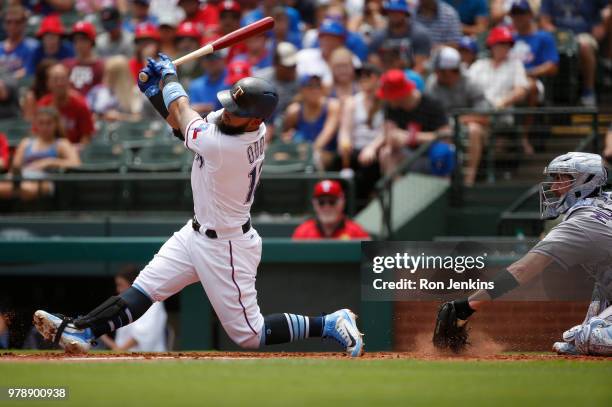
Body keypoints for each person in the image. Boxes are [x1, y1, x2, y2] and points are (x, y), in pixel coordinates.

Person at [33, 52, 364, 358]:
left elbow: (187, 117)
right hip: (195, 235)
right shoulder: (245, 125)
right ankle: (84, 329)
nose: (228, 114)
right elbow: (183, 125)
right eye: (231, 107)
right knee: (145, 289)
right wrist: (155, 94)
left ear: (252, 122)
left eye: (237, 113)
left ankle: (330, 322)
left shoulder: (227, 147)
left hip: (227, 245)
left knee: (251, 334)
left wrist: (169, 82)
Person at [434, 152, 612, 356]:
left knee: (589, 338)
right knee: (602, 287)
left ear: (586, 180)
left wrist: (467, 305)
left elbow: (522, 269)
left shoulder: (581, 222)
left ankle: (588, 336)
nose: (554, 187)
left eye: (561, 179)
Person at [425, 46, 490, 186]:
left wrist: (459, 120)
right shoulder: (432, 84)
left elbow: (484, 116)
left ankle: (468, 180)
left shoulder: (471, 83)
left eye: (439, 70)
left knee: (474, 129)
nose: (436, 73)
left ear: (449, 71)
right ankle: (444, 182)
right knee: (443, 132)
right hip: (443, 129)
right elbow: (428, 114)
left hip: (468, 129)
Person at [376, 69, 452, 177]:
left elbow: (446, 137)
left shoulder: (432, 104)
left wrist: (412, 137)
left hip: (431, 154)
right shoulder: (391, 107)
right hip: (407, 154)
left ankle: (441, 191)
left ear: (400, 95)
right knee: (386, 154)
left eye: (390, 96)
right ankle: (396, 192)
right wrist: (393, 139)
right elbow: (389, 132)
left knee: (442, 152)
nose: (387, 99)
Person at [467, 26, 530, 153]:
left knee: (472, 125)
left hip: (500, 114)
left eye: (507, 44)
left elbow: (521, 91)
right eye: (500, 44)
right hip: (478, 111)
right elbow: (466, 88)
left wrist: (502, 102)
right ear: (492, 45)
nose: (504, 47)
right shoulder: (479, 65)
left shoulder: (515, 65)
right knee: (472, 128)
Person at [0, 107, 80, 201]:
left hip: (45, 180)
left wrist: (49, 162)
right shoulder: (26, 142)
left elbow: (76, 163)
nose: (45, 127)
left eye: (49, 123)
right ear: (36, 124)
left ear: (56, 124)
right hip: (22, 178)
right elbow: (16, 166)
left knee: (27, 189)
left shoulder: (61, 144)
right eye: (41, 123)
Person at [539, 0, 609, 106]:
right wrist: (563, 35)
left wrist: (603, 26)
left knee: (585, 45)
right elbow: (544, 22)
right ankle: (545, 96)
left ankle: (588, 91)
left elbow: (608, 7)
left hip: (584, 34)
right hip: (558, 35)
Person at [338, 64, 384, 205]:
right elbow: (345, 130)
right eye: (361, 77)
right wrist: (344, 144)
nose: (363, 79)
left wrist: (372, 148)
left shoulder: (386, 102)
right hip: (355, 148)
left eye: (368, 76)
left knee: (369, 165)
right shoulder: (352, 102)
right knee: (339, 161)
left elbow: (385, 132)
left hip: (375, 149)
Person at [100, 266, 168, 352]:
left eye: (120, 285)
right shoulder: (123, 304)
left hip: (150, 358)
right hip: (125, 356)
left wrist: (120, 350)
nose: (118, 289)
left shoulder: (153, 301)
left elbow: (144, 333)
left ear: (133, 284)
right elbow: (119, 345)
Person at [282, 74, 341, 170]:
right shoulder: (294, 111)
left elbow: (328, 133)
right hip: (299, 151)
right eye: (310, 86)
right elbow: (285, 136)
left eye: (318, 86)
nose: (315, 90)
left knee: (316, 159)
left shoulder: (332, 106)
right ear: (302, 90)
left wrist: (310, 152)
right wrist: (290, 141)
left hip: (326, 152)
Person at [509, 0, 559, 106]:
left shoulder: (544, 37)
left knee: (529, 85)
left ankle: (528, 123)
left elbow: (552, 66)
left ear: (530, 15)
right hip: (508, 77)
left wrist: (528, 73)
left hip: (534, 79)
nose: (518, 17)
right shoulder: (508, 38)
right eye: (514, 14)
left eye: (521, 13)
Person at [369, 0, 432, 75]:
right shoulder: (378, 36)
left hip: (411, 77)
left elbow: (420, 64)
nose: (394, 15)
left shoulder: (419, 34)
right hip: (386, 77)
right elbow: (374, 62)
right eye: (391, 11)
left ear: (405, 13)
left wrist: (405, 81)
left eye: (398, 11)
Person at [292, 179, 371, 240]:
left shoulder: (357, 233)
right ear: (314, 204)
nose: (327, 207)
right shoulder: (302, 233)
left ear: (342, 202)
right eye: (321, 202)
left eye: (332, 202)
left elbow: (373, 258)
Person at [37, 63, 95, 145]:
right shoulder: (44, 104)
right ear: (48, 83)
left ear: (69, 81)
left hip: (74, 150)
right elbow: (36, 133)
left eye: (63, 79)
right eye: (55, 80)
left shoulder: (80, 104)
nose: (59, 83)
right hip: (48, 150)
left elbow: (87, 136)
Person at [256, 41, 299, 136]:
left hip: (290, 129)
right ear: (275, 63)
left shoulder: (300, 81)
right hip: (263, 126)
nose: (292, 69)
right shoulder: (261, 80)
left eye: (294, 65)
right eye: (287, 66)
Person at [87, 56, 143, 122]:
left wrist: (119, 117)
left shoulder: (134, 92)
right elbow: (88, 115)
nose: (107, 76)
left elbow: (137, 119)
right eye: (106, 72)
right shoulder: (97, 91)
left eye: (111, 73)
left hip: (125, 130)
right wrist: (98, 116)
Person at [64, 21, 104, 97]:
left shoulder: (100, 66)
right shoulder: (67, 65)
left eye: (83, 39)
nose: (79, 44)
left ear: (91, 41)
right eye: (76, 40)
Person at [0, 5, 37, 80]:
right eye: (8, 22)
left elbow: (28, 71)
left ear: (24, 23)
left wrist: (7, 79)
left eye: (17, 22)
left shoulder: (33, 47)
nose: (12, 26)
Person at [188, 50, 228, 115]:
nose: (211, 63)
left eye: (214, 60)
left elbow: (230, 107)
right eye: (207, 60)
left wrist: (208, 107)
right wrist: (212, 107)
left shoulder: (231, 80)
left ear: (223, 60)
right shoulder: (196, 85)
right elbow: (193, 109)